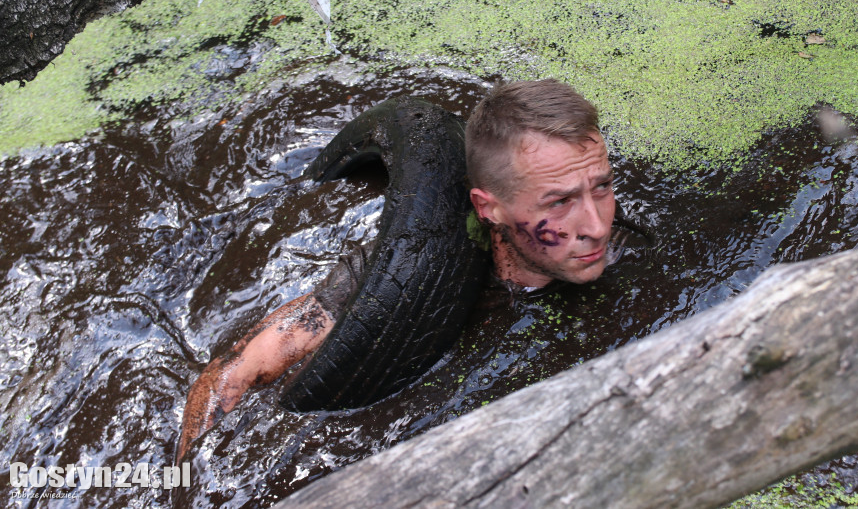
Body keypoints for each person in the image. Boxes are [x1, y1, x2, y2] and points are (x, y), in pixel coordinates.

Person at [176, 79, 617, 462]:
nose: (597, 227)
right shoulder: (395, 274)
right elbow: (230, 377)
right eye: (558, 202)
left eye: (601, 187)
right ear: (489, 208)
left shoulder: (625, 244)